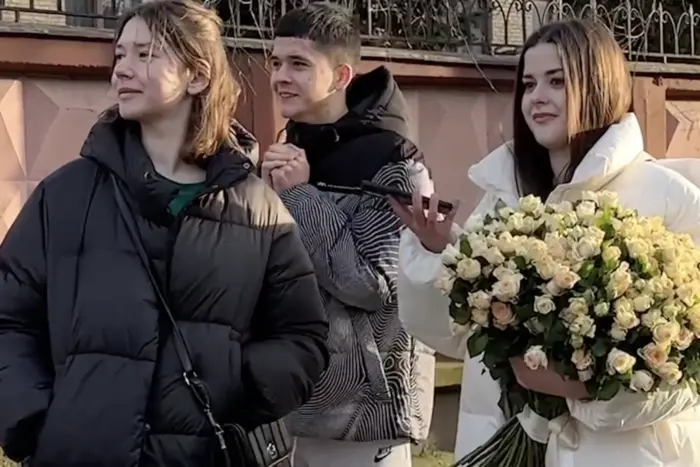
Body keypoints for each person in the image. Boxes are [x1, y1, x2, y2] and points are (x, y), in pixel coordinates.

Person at [0, 1, 328, 466]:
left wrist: (238, 387)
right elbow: (8, 318)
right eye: (119, 55)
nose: (122, 71)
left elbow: (302, 336)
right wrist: (35, 423)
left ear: (196, 76)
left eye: (144, 55)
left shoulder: (256, 210)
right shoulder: (65, 197)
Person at [393, 18, 700, 467]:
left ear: (597, 85)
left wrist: (588, 391)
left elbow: (689, 371)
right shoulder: (503, 196)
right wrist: (441, 253)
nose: (536, 98)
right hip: (506, 438)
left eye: (557, 82)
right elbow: (456, 337)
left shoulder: (666, 195)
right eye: (529, 84)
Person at [260, 3, 435, 466]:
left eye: (298, 64)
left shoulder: (393, 162)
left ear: (340, 76)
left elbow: (373, 284)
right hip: (292, 403)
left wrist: (299, 197)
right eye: (275, 62)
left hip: (364, 417)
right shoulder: (289, 151)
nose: (281, 76)